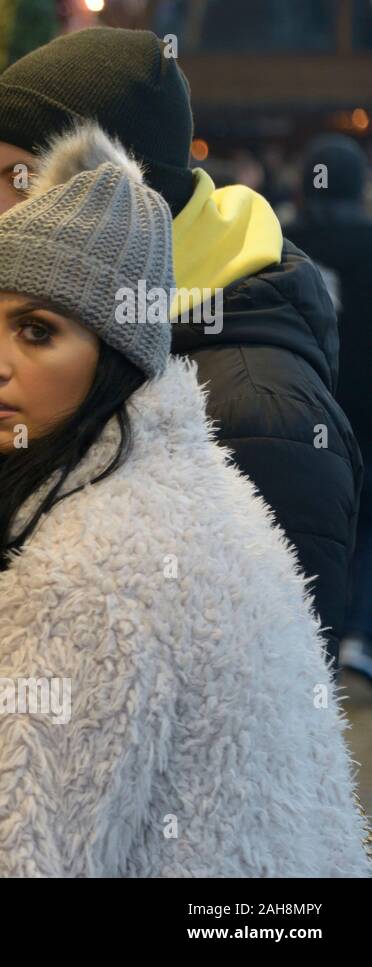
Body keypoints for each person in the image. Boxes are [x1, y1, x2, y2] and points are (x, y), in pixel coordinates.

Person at [0, 124, 370, 877]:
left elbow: (19, 858)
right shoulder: (195, 489)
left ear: (118, 349)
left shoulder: (81, 572)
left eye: (36, 330)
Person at [0, 26, 360, 669]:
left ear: (111, 188)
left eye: (18, 178)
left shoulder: (256, 408)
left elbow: (262, 696)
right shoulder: (86, 336)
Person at [283, 134, 372, 668]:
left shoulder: (284, 241)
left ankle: (316, 635)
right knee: (367, 526)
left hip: (302, 403)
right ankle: (361, 632)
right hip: (367, 408)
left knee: (306, 525)